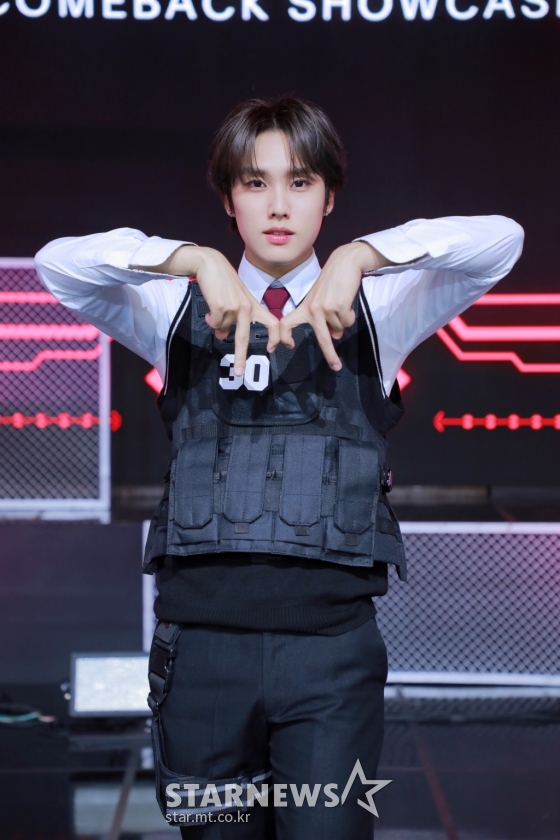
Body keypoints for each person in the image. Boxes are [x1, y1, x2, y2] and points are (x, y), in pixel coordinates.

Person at [35, 96, 524, 840]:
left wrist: (360, 256)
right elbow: (58, 265)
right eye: (255, 182)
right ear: (228, 199)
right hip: (201, 658)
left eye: (300, 182)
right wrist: (194, 260)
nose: (278, 206)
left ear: (329, 197)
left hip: (330, 661)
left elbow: (501, 241)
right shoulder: (172, 307)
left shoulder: (382, 307)